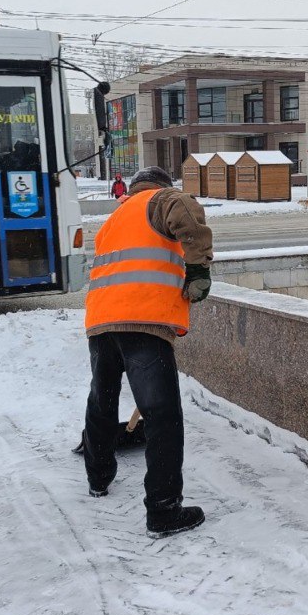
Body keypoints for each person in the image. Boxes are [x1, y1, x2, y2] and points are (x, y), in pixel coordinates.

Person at [83, 165, 213, 538]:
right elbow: (184, 210)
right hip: (143, 321)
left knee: (102, 401)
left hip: (101, 322)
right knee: (162, 416)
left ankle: (98, 479)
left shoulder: (115, 218)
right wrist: (199, 270)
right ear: (158, 186)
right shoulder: (160, 199)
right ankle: (163, 511)